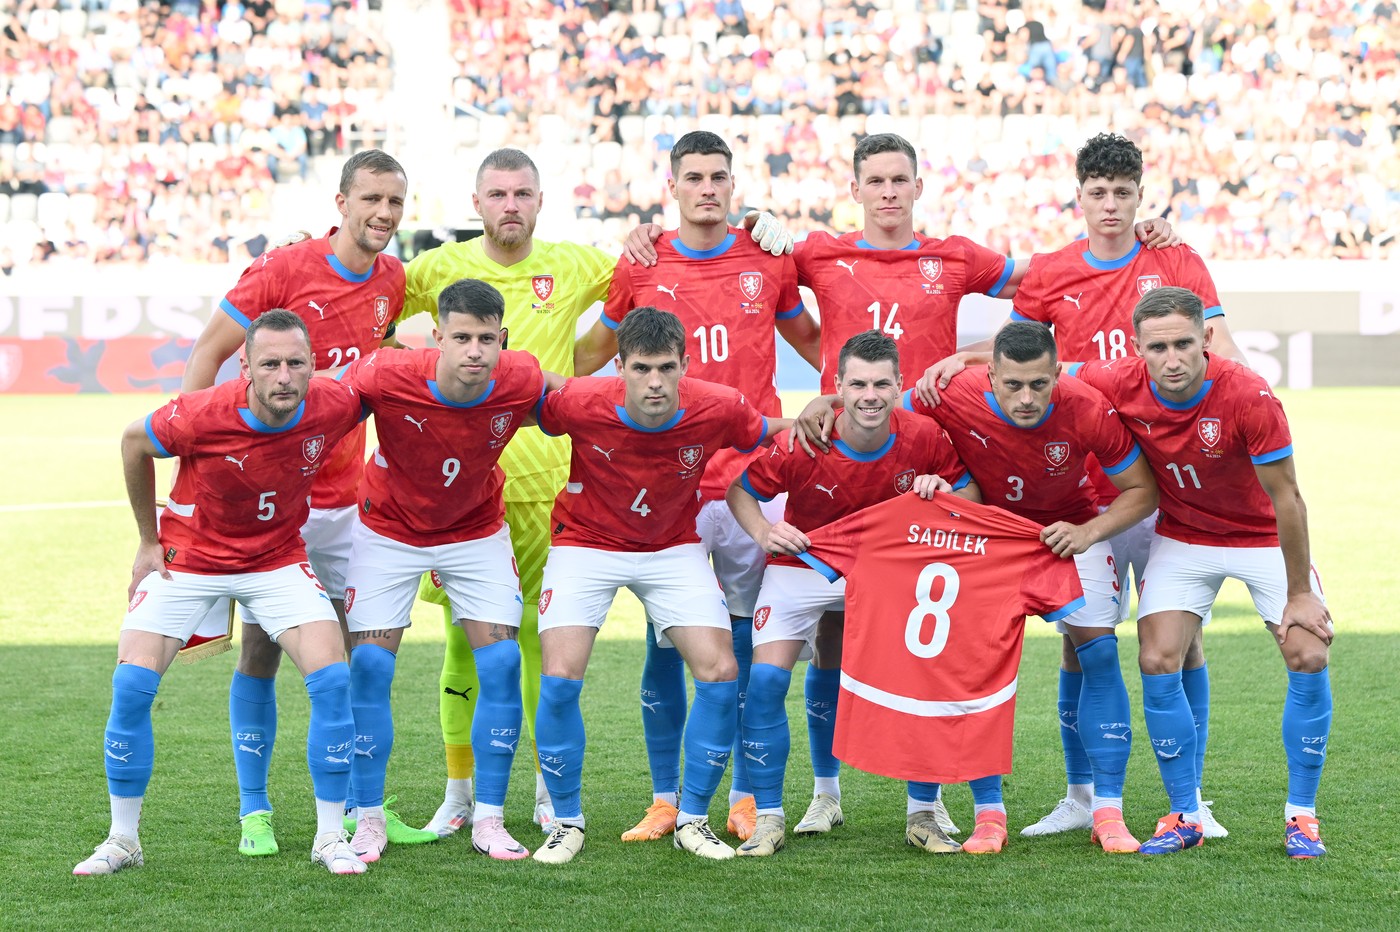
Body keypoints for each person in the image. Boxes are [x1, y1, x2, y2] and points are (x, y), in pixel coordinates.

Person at [400, 148, 792, 838]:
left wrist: (758, 227)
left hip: (568, 480)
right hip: (469, 484)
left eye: (523, 191)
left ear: (541, 198)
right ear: (476, 200)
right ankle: (461, 791)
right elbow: (372, 315)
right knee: (469, 640)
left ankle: (557, 799)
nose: (510, 204)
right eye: (497, 193)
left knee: (545, 636)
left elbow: (616, 327)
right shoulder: (433, 269)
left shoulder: (582, 262)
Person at [920, 133, 1243, 840]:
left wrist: (1251, 414)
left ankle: (1190, 798)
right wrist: (960, 360)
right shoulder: (1052, 274)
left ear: (1140, 195)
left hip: (1164, 485)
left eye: (1123, 193)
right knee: (1081, 641)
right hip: (1083, 491)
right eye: (1098, 192)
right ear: (1080, 194)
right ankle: (1080, 794)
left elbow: (1220, 350)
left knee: (1178, 642)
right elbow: (1021, 357)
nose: (1110, 205)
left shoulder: (1175, 259)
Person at [177, 149, 433, 855]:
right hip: (271, 502)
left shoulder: (392, 279)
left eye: (396, 203)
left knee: (357, 655)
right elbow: (207, 355)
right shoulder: (284, 270)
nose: (383, 214)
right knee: (260, 649)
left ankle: (360, 808)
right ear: (341, 201)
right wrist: (197, 477)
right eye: (371, 200)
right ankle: (254, 810)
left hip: (350, 503)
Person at [572, 130, 820, 844]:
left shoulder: (767, 258)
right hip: (669, 483)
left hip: (752, 480)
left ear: (733, 185)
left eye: (719, 177)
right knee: (664, 643)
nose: (707, 188)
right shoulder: (642, 262)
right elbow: (593, 355)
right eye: (694, 177)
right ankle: (664, 796)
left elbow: (818, 342)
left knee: (743, 642)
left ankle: (742, 797)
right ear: (672, 186)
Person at [74, 311, 369, 877]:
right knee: (132, 683)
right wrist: (145, 541)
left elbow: (389, 388)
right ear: (246, 367)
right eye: (271, 364)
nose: (285, 376)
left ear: (313, 365)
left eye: (296, 363)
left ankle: (331, 837)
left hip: (277, 560)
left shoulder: (332, 403)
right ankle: (122, 839)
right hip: (193, 558)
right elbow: (134, 441)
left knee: (332, 678)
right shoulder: (202, 413)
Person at [1070, 287, 1333, 858]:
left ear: (1205, 339)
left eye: (1184, 344)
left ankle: (1302, 817)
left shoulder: (1248, 395)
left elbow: (1288, 498)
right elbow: (1043, 367)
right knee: (1157, 656)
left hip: (1262, 537)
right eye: (1158, 347)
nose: (1173, 359)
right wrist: (957, 363)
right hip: (1186, 537)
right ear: (1136, 348)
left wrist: (1299, 593)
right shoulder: (1115, 379)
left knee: (1308, 651)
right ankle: (1185, 813)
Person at [529, 307, 787, 864]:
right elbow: (517, 397)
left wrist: (825, 411)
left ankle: (692, 818)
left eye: (666, 368)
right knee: (559, 676)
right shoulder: (580, 401)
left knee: (720, 671)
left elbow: (769, 432)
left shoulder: (718, 405)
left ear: (684, 366)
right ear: (618, 366)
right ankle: (566, 821)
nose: (654, 382)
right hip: (586, 544)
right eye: (641, 368)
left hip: (672, 547)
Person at [900, 321, 1158, 853]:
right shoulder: (952, 392)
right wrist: (826, 402)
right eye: (1011, 384)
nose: (1025, 398)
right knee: (975, 666)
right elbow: (874, 413)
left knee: (1101, 657)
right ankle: (989, 816)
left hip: (1071, 535)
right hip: (990, 541)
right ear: (988, 373)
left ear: (1057, 374)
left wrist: (1088, 533)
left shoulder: (1085, 407)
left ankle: (1106, 812)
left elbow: (1142, 489)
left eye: (1039, 385)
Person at [726, 330, 979, 858]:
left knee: (921, 674)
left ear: (899, 386)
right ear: (836, 386)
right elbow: (742, 491)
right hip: (804, 562)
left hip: (887, 569)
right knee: (768, 681)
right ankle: (778, 814)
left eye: (882, 383)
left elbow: (970, 489)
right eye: (858, 383)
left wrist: (946, 491)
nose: (870, 395)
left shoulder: (924, 435)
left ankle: (924, 813)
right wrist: (763, 533)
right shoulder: (806, 438)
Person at [338, 279, 565, 863]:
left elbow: (582, 402)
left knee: (504, 660)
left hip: (475, 532)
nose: (474, 350)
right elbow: (318, 407)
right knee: (366, 667)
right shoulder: (387, 374)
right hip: (387, 531)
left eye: (486, 338)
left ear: (503, 340)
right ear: (436, 336)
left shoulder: (521, 377)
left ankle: (488, 817)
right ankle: (367, 819)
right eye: (460, 337)